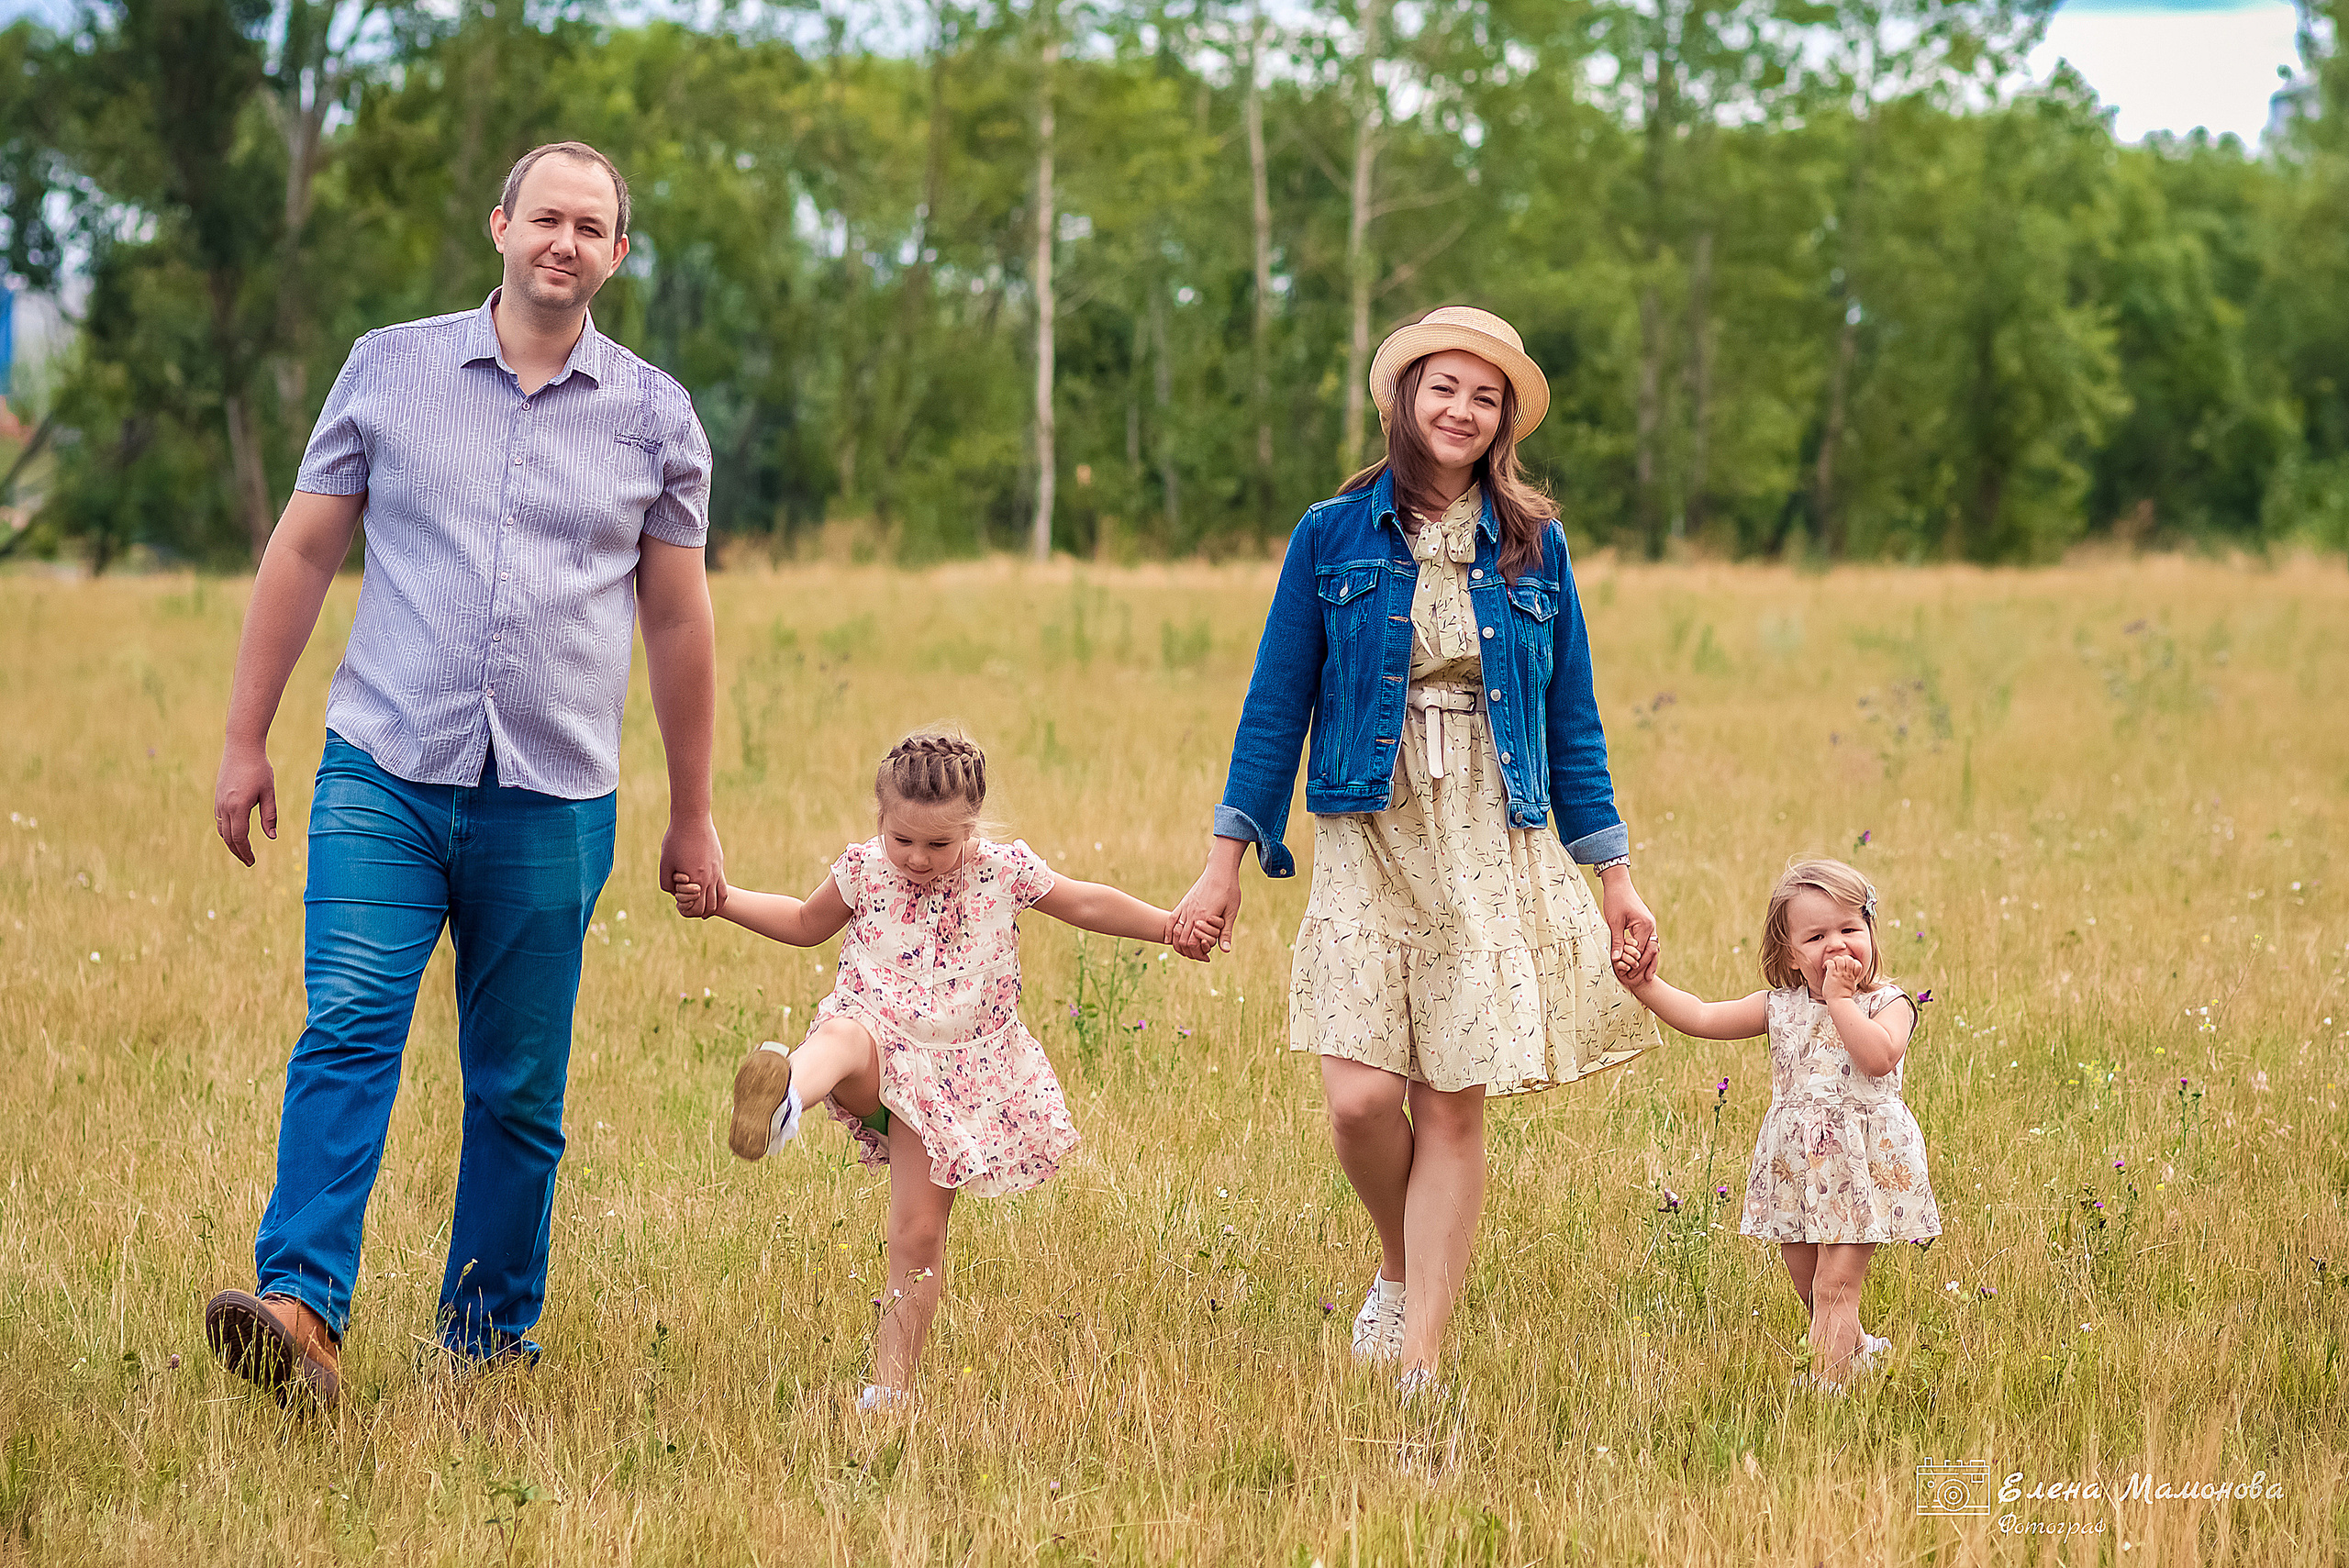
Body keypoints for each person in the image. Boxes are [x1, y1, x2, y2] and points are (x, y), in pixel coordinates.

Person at [204, 140, 722, 1406]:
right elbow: (303, 552)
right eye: (546, 216)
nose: (566, 241)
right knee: (350, 1028)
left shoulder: (656, 416)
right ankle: (302, 1311)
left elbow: (678, 624)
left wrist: (693, 812)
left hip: (554, 795)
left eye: (591, 227)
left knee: (518, 1089)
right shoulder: (388, 368)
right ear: (500, 225)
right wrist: (243, 737)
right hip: (383, 770)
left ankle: (484, 1350)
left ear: (617, 253)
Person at [1172, 306, 1661, 1393]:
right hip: (1367, 820)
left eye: (1485, 397)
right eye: (1444, 387)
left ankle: (1422, 1360)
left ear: (1503, 421)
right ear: (1404, 396)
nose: (1462, 410)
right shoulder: (1331, 532)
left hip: (1491, 830)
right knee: (1358, 1099)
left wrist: (1614, 876)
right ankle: (1397, 1270)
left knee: (1449, 1098)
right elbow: (1273, 705)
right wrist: (1224, 862)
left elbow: (1572, 715)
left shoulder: (1534, 539)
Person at [674, 730, 1213, 1411]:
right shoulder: (864, 868)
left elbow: (1085, 902)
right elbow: (806, 920)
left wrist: (1169, 926)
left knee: (918, 1235)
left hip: (952, 1080)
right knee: (842, 1033)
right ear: (880, 820)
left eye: (939, 844)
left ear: (973, 827)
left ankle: (891, 1388)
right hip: (875, 1042)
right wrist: (721, 900)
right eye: (903, 840)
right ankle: (785, 1092)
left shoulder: (1003, 871)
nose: (919, 859)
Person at [1615, 858, 1942, 1387]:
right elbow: (1701, 1017)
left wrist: (1839, 999)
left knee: (1837, 1286)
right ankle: (1858, 1349)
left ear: (1871, 933)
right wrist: (1644, 987)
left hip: (1860, 1166)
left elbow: (1878, 1057)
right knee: (1808, 1279)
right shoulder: (1779, 1008)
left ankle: (1826, 1390)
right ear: (1790, 951)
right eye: (1816, 936)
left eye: (1849, 929)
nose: (1836, 945)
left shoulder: (1889, 1003)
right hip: (1797, 1167)